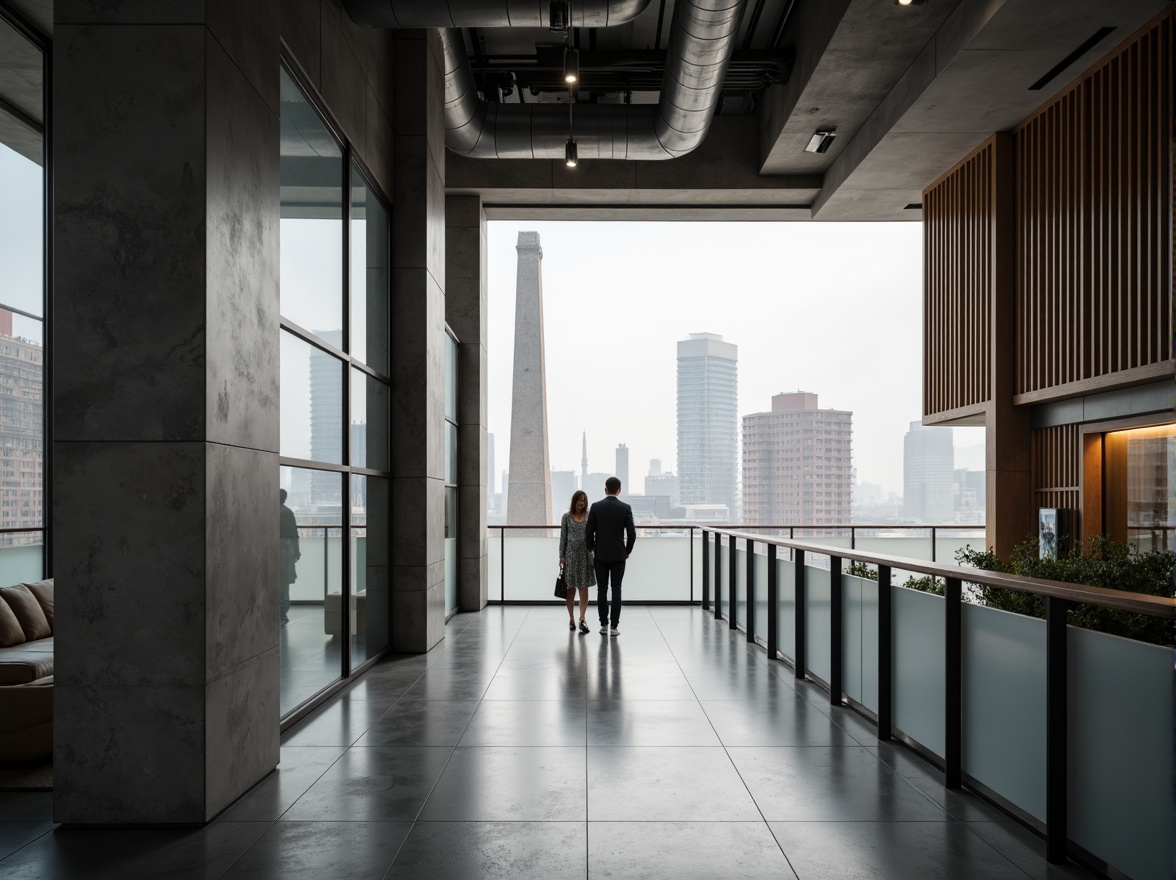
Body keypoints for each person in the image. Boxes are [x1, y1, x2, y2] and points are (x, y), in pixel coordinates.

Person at [585, 476, 636, 636]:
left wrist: (592, 548)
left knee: (601, 589)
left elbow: (588, 532)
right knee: (616, 589)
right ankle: (614, 627)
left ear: (605, 489)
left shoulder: (596, 507)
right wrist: (627, 550)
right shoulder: (625, 508)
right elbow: (632, 534)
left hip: (600, 555)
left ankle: (603, 625)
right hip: (619, 555)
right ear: (619, 490)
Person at [559, 490, 596, 634]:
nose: (581, 503)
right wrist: (561, 556)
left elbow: (594, 535)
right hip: (570, 557)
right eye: (579, 500)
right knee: (570, 589)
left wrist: (594, 550)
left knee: (584, 588)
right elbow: (563, 538)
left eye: (584, 501)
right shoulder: (566, 517)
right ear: (574, 501)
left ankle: (582, 618)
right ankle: (571, 618)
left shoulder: (589, 517)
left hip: (585, 556)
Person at [279, 489, 300, 625]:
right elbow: (294, 534)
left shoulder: (270, 511)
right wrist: (296, 552)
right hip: (285, 551)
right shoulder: (288, 512)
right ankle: (282, 613)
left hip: (277, 550)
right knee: (284, 583)